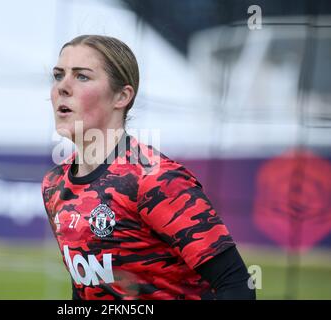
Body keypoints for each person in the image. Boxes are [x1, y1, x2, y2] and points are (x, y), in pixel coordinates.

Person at [41, 34, 256, 300]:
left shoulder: (155, 178)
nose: (63, 86)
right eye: (58, 75)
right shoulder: (54, 184)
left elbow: (236, 285)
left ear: (122, 96)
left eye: (82, 76)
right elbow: (87, 289)